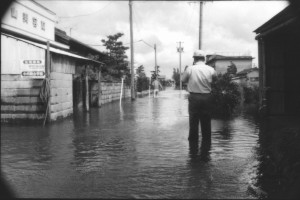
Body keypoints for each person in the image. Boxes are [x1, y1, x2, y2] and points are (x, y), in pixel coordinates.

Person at [181, 50, 216, 144]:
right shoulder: (210, 69)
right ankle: (206, 143)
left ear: (195, 59)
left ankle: (193, 145)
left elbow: (182, 80)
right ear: (204, 58)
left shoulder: (190, 69)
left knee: (193, 122)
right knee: (206, 121)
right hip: (207, 97)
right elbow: (215, 80)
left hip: (194, 97)